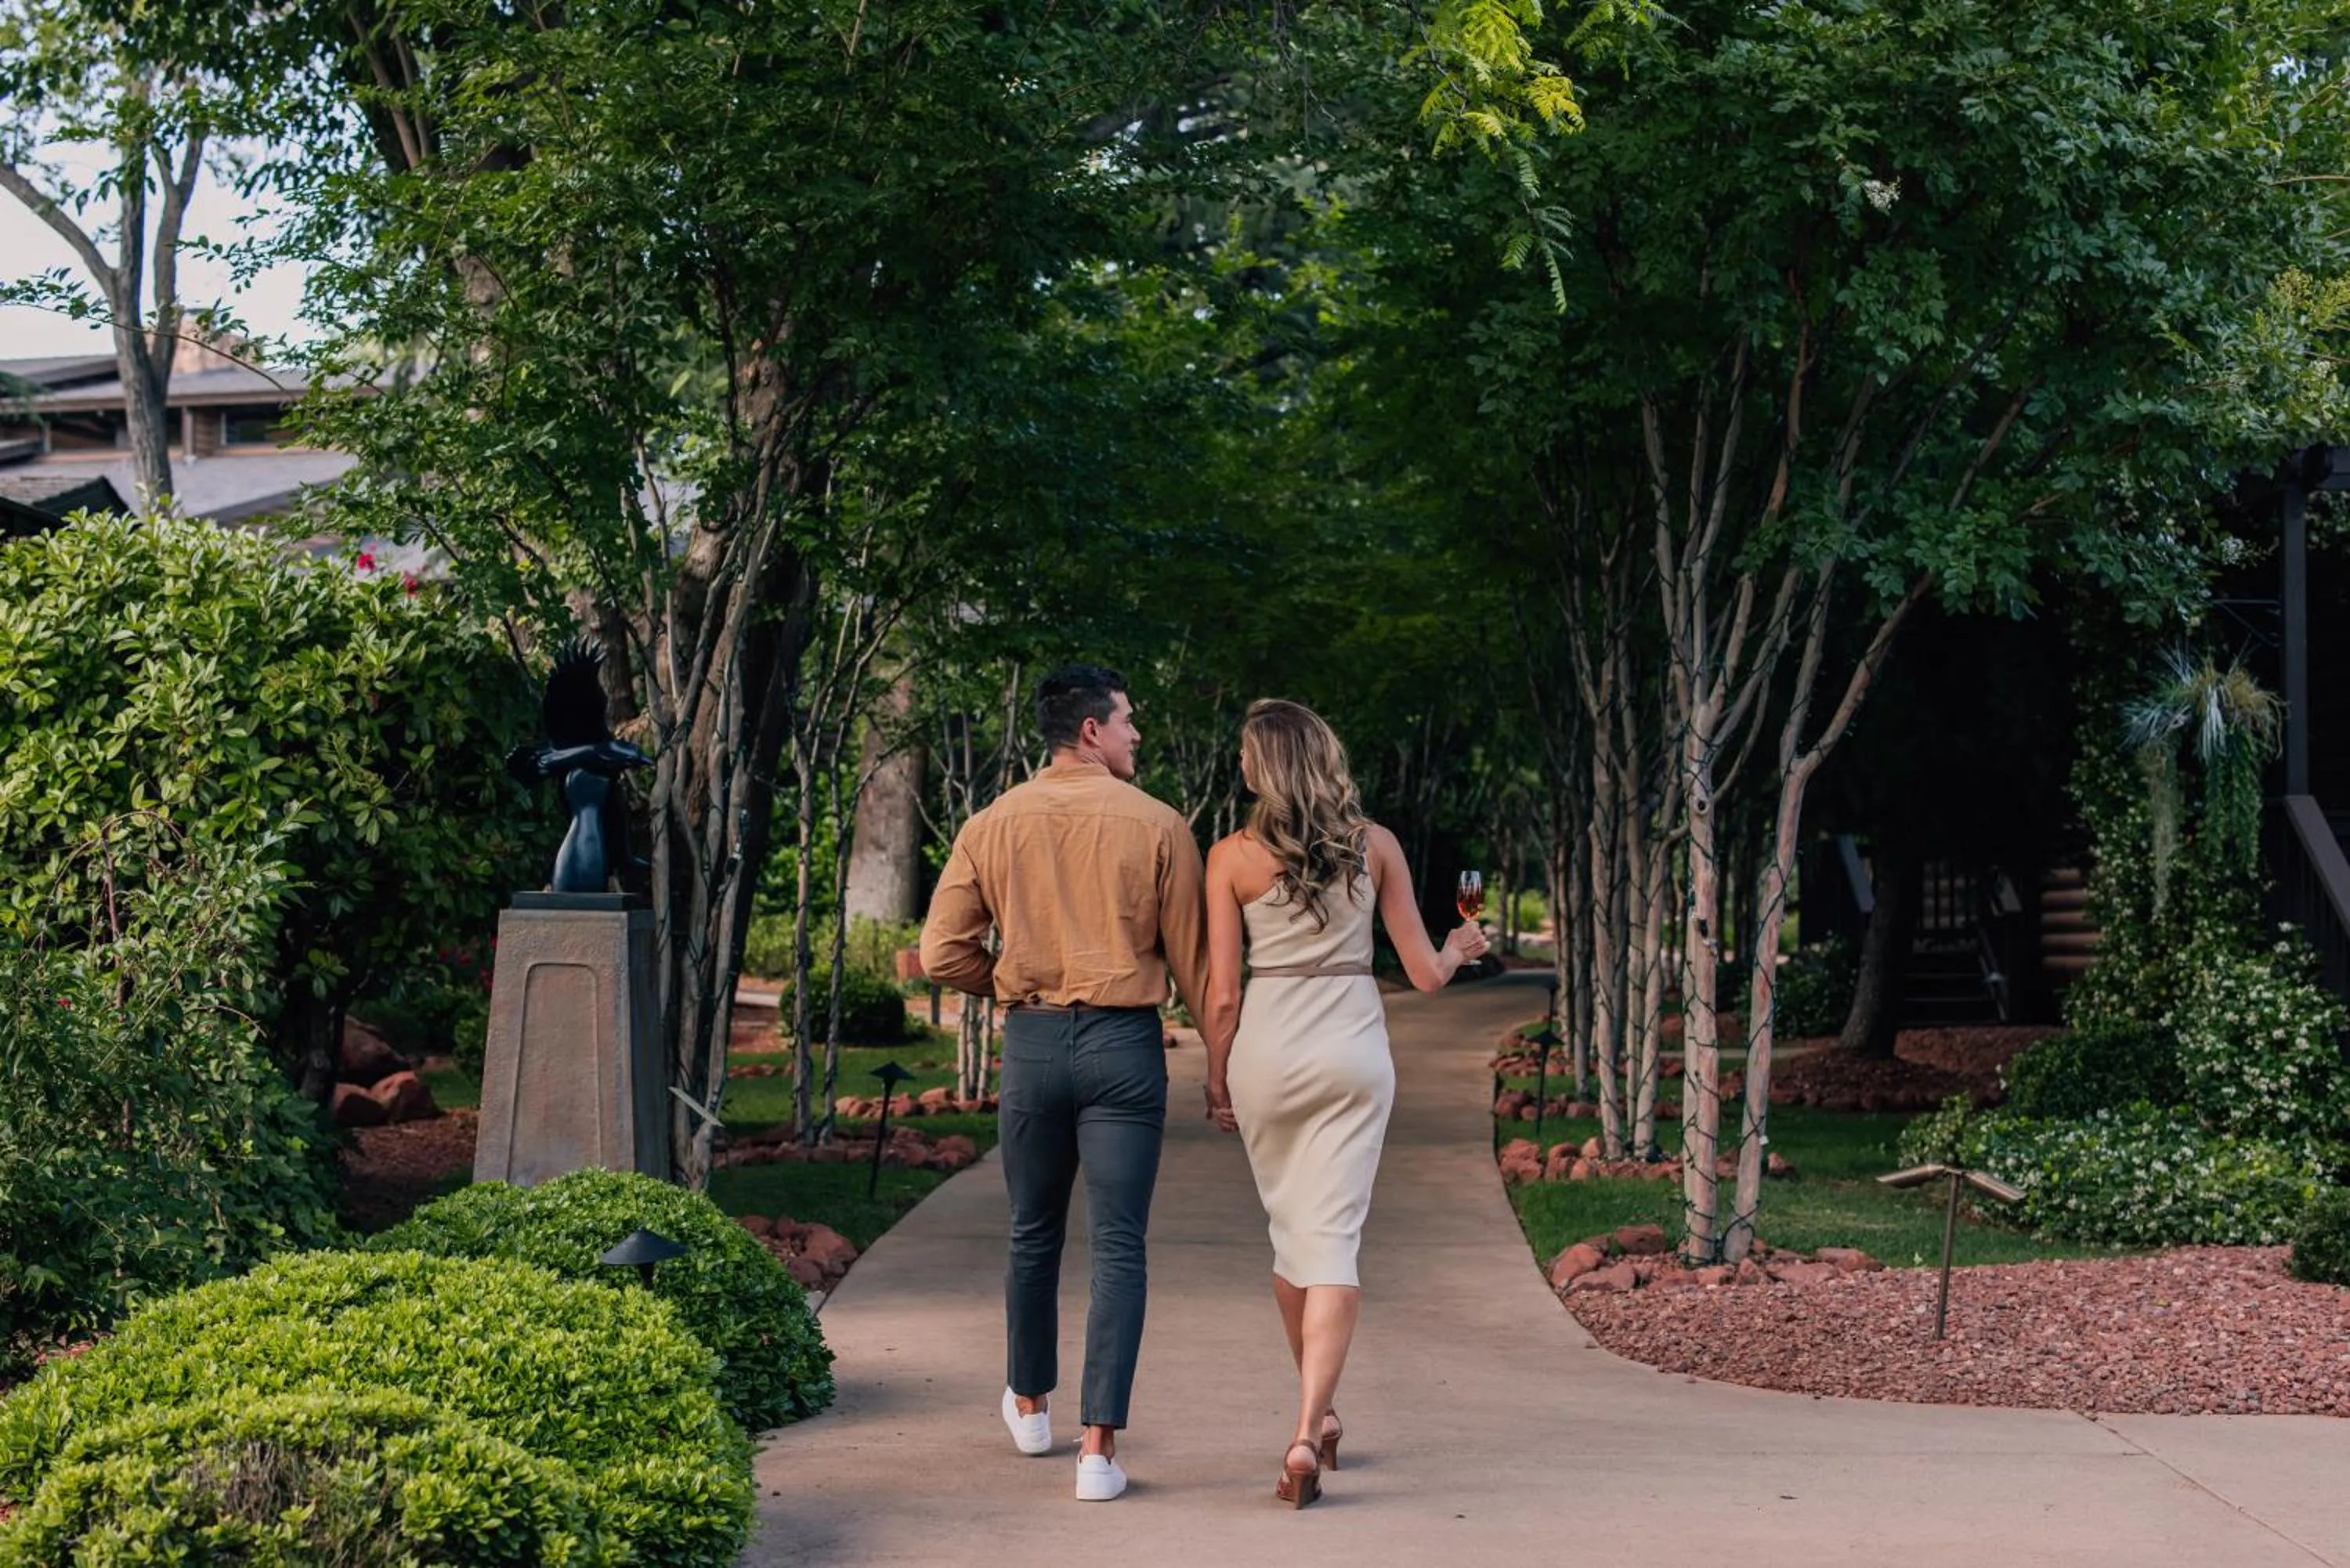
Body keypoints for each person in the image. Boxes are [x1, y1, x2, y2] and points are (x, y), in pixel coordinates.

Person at [920, 663, 1209, 1504]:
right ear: (1091, 731)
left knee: (1031, 1232)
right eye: (1127, 721)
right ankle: (1098, 1453)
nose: (1135, 735)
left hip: (1035, 1043)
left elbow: (941, 952)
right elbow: (1196, 969)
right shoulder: (1160, 825)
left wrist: (1011, 982)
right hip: (1125, 1046)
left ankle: (1029, 1404)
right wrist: (1224, 1066)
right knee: (1119, 1244)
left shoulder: (991, 823)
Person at [1199, 699, 1487, 1508]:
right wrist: (1459, 947)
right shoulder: (1376, 845)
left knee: (1294, 1236)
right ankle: (1310, 1426)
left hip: (1268, 1055)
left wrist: (1217, 1073)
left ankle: (1312, 1418)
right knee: (1329, 1241)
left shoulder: (1229, 857)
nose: (1241, 765)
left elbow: (1223, 995)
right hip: (1353, 1055)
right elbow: (1425, 974)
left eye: (1247, 755)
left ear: (1265, 767)